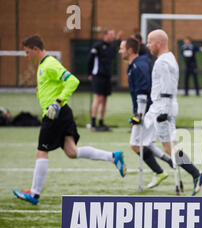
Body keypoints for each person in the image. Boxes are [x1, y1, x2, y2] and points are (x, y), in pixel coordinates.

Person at [13, 35, 126, 205]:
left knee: (41, 151)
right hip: (62, 113)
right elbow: (54, 84)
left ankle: (34, 194)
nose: (26, 56)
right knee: (71, 152)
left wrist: (57, 103)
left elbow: (72, 81)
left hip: (55, 114)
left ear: (35, 49)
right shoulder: (43, 65)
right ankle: (113, 157)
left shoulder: (50, 63)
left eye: (27, 52)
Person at [145, 29, 202, 195]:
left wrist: (164, 111)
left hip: (162, 107)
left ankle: (196, 174)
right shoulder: (169, 58)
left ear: (158, 43)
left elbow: (166, 87)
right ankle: (185, 173)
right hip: (162, 106)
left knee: (169, 147)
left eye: (149, 41)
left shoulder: (162, 62)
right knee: (164, 146)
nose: (147, 45)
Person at [119, 37, 174, 189]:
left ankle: (160, 171)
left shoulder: (139, 66)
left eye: (122, 48)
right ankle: (170, 163)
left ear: (130, 51)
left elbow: (143, 92)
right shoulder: (133, 65)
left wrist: (139, 115)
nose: (119, 51)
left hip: (147, 112)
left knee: (135, 145)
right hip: (146, 111)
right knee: (147, 144)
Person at [88, 29, 122, 131]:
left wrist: (118, 40)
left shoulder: (110, 47)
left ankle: (101, 122)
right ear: (105, 35)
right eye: (111, 34)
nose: (113, 36)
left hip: (107, 76)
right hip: (98, 76)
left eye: (113, 35)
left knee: (105, 99)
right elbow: (90, 60)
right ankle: (93, 123)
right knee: (98, 98)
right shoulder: (97, 46)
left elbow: (116, 52)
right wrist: (90, 73)